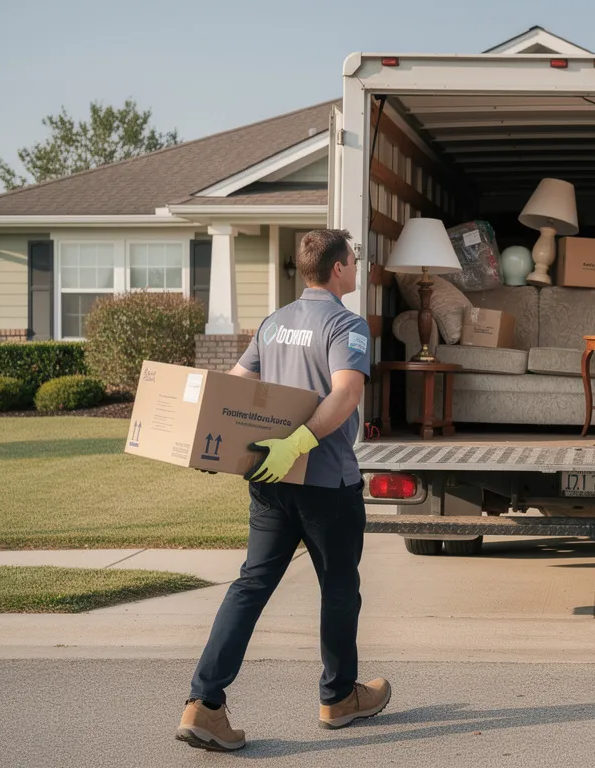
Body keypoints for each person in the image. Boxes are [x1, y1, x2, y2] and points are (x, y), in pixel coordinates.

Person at [176, 229, 390, 751]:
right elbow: (345, 393)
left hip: (270, 482)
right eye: (354, 262)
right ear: (337, 269)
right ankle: (339, 698)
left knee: (250, 586)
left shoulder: (273, 324)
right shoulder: (345, 324)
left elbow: (233, 386)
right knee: (339, 590)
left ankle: (204, 704)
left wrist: (215, 445)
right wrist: (298, 441)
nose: (357, 269)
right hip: (326, 484)